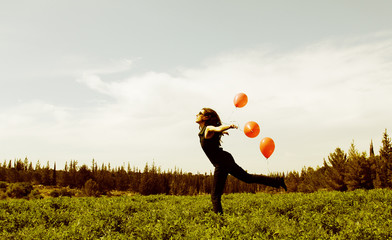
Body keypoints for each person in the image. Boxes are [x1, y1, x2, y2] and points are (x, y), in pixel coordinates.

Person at [196, 107, 287, 214]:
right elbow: (217, 131)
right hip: (223, 160)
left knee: (215, 195)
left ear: (206, 117)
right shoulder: (203, 131)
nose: (197, 114)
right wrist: (222, 132)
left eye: (200, 113)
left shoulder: (208, 129)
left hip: (222, 162)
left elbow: (217, 128)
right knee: (247, 178)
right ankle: (277, 181)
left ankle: (219, 222)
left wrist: (228, 126)